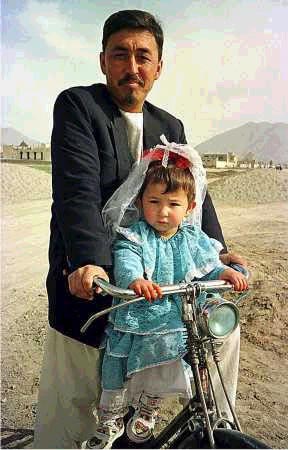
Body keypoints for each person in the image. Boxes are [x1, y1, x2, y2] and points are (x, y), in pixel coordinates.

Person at [33, 10, 246, 449]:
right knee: (73, 397)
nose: (132, 67)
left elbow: (192, 194)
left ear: (158, 66)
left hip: (155, 285)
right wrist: (89, 261)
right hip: (94, 280)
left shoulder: (170, 127)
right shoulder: (79, 107)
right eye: (121, 54)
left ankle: (217, 428)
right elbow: (76, 191)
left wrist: (218, 253)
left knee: (210, 337)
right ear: (103, 61)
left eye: (143, 56)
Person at [81, 142, 248, 449]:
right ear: (140, 201)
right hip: (139, 311)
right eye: (153, 201)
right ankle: (110, 416)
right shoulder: (136, 235)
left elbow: (206, 265)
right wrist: (135, 280)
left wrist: (223, 273)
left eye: (173, 204)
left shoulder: (193, 238)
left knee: (164, 361)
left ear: (190, 207)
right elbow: (126, 257)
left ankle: (149, 406)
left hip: (172, 315)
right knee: (118, 364)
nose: (162, 212)